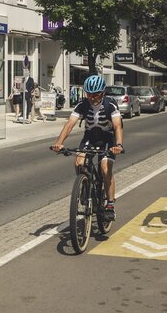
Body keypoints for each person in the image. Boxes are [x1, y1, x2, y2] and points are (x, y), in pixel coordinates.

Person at [51, 74, 124, 220]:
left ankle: (110, 204)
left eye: (95, 95)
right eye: (89, 94)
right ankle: (85, 188)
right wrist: (59, 142)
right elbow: (70, 124)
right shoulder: (82, 105)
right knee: (78, 161)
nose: (92, 98)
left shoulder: (111, 104)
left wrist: (119, 145)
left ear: (103, 93)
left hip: (108, 139)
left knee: (105, 168)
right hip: (90, 138)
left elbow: (117, 126)